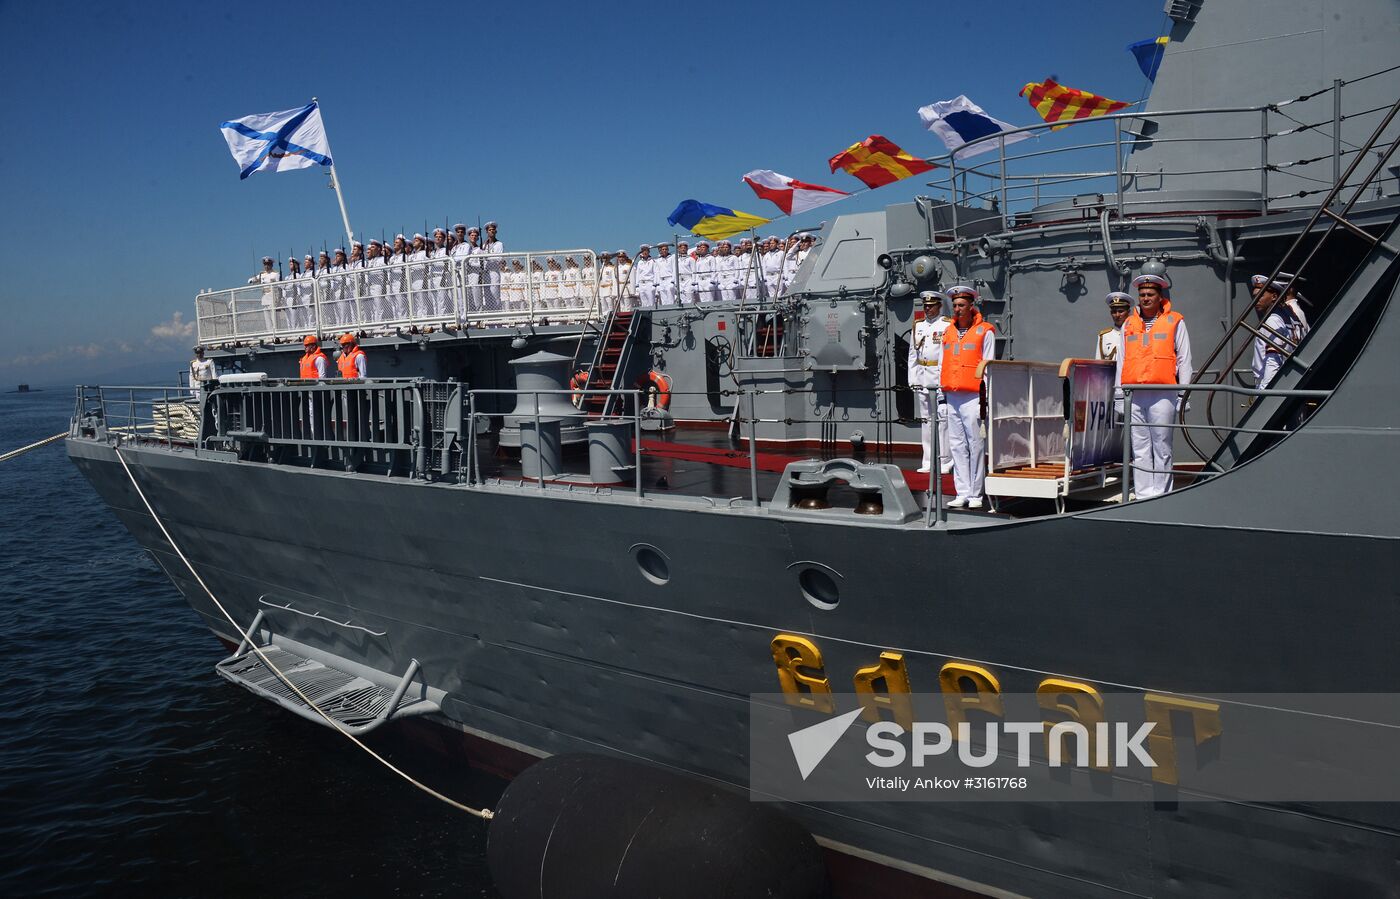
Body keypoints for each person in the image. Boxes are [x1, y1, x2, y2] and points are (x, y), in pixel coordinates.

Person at [1118, 272, 1192, 499]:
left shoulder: (1175, 321)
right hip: (1136, 394)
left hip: (1163, 394)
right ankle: (1142, 495)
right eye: (1141, 294)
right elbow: (1121, 360)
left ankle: (1162, 495)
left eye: (1150, 294)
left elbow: (1185, 360)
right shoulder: (1129, 324)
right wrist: (1119, 397)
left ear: (1160, 296)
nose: (1145, 298)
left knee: (1162, 447)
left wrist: (1183, 396)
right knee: (1139, 449)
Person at [939, 286, 996, 508]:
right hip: (952, 394)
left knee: (976, 444)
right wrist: (941, 397)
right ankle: (961, 492)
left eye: (961, 305)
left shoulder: (985, 331)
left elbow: (989, 366)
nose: (957, 309)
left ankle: (975, 494)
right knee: (956, 445)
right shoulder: (948, 331)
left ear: (971, 306)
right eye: (954, 305)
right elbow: (943, 364)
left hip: (974, 396)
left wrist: (986, 399)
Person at [907, 291, 953, 475]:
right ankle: (927, 460)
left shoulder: (947, 325)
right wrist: (913, 378)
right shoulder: (918, 325)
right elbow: (913, 354)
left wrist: (945, 380)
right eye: (925, 306)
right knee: (926, 422)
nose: (927, 309)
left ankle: (946, 461)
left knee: (943, 421)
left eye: (931, 305)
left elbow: (948, 355)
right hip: (922, 378)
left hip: (939, 378)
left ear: (939, 306)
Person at [1249, 277, 1296, 389]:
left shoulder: (1272, 320)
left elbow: (1273, 360)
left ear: (1274, 296)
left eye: (1260, 296)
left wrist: (1264, 393)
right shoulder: (1285, 316)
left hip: (1268, 384)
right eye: (1254, 297)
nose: (1256, 300)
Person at [1096, 292, 1132, 361]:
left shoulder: (1135, 334)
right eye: (1114, 312)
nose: (1117, 315)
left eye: (1121, 311)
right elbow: (1099, 363)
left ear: (1128, 312)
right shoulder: (1104, 336)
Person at [482, 221, 504, 311]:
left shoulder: (499, 244)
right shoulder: (484, 245)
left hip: (494, 272)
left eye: (493, 230)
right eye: (489, 230)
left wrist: (488, 257)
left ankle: (497, 321)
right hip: (486, 273)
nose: (491, 231)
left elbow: (499, 258)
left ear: (496, 231)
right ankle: (490, 320)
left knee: (495, 297)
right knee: (487, 297)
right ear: (487, 232)